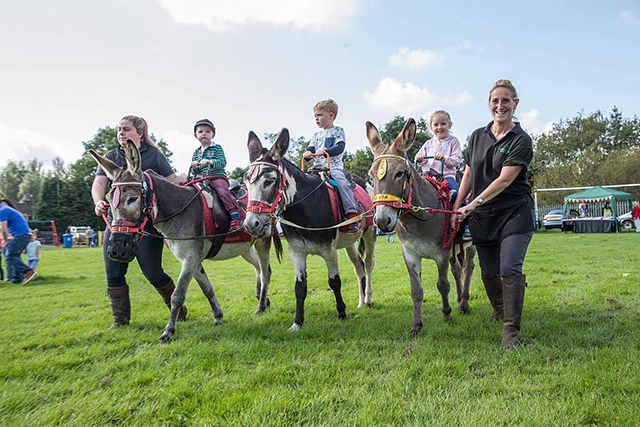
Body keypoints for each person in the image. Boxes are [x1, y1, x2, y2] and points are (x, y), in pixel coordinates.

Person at [452, 79, 535, 349]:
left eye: (506, 100)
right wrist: (456, 207)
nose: (500, 105)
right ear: (489, 105)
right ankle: (499, 311)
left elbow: (504, 180)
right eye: (495, 101)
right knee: (488, 272)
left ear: (515, 104)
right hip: (483, 216)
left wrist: (472, 203)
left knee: (509, 267)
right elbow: (468, 172)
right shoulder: (477, 136)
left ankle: (510, 333)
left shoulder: (520, 140)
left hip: (514, 213)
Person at [92, 115, 187, 329]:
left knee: (153, 272)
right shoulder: (111, 156)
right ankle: (120, 320)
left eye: (126, 129)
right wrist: (98, 202)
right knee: (113, 270)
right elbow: (99, 184)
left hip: (146, 225)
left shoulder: (154, 156)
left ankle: (178, 310)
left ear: (140, 133)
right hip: (116, 223)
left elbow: (172, 182)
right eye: (119, 130)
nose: (121, 133)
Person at [303, 99, 359, 233]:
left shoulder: (338, 131)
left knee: (341, 183)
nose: (316, 118)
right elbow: (311, 148)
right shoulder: (316, 135)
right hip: (316, 168)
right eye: (315, 116)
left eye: (320, 115)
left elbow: (340, 147)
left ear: (331, 115)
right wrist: (307, 153)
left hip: (332, 167)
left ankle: (351, 214)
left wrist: (326, 151)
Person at [414, 110, 470, 239]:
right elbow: (420, 158)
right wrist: (420, 159)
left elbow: (457, 159)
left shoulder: (453, 141)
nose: (440, 127)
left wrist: (444, 158)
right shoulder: (428, 144)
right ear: (431, 127)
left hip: (446, 176)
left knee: (456, 194)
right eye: (436, 124)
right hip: (429, 178)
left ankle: (466, 225)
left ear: (449, 125)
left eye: (443, 124)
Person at [187, 118, 242, 232]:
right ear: (195, 135)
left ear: (213, 134)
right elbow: (195, 172)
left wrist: (209, 162)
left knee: (222, 192)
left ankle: (235, 216)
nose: (204, 134)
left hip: (217, 178)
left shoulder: (217, 148)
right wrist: (194, 167)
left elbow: (222, 163)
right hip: (200, 180)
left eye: (207, 131)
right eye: (200, 131)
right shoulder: (196, 152)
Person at [0, 198, 37, 285]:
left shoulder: (2, 211)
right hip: (22, 235)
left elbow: (3, 229)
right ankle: (17, 278)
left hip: (21, 235)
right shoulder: (5, 209)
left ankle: (28, 271)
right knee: (13, 255)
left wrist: (5, 240)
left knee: (10, 255)